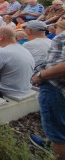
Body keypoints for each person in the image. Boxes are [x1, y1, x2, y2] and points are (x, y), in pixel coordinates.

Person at [31, 20, 65, 159]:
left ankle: (57, 150)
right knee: (59, 124)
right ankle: (53, 143)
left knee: (57, 131)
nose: (51, 27)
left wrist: (41, 75)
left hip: (55, 86)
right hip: (57, 86)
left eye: (56, 26)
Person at [0, 26, 35, 97]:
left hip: (8, 92)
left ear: (1, 37)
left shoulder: (2, 52)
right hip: (25, 89)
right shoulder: (24, 49)